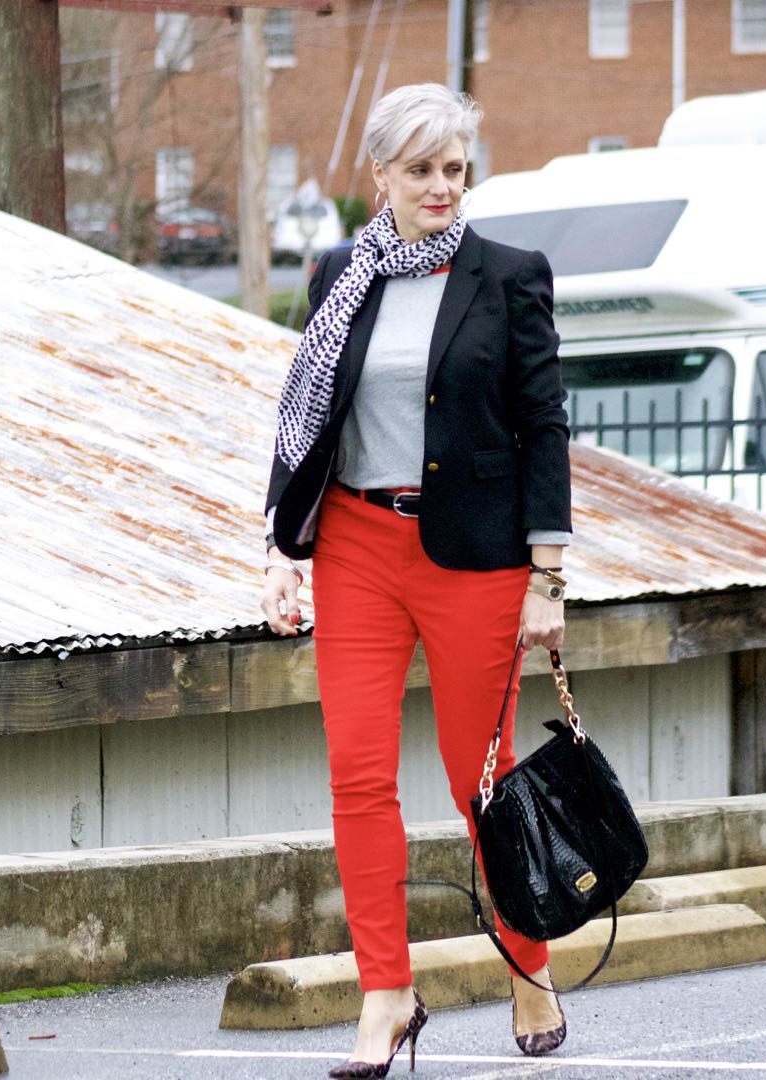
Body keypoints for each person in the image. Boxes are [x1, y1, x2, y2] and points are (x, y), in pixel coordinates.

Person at [260, 83, 571, 1076]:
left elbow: (545, 427)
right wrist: (280, 548)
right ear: (381, 174)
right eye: (424, 169)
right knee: (358, 777)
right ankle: (385, 992)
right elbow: (306, 417)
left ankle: (528, 961)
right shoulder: (338, 276)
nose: (444, 186)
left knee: (481, 782)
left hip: (476, 560)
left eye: (456, 169)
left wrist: (549, 576)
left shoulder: (509, 275)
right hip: (357, 544)